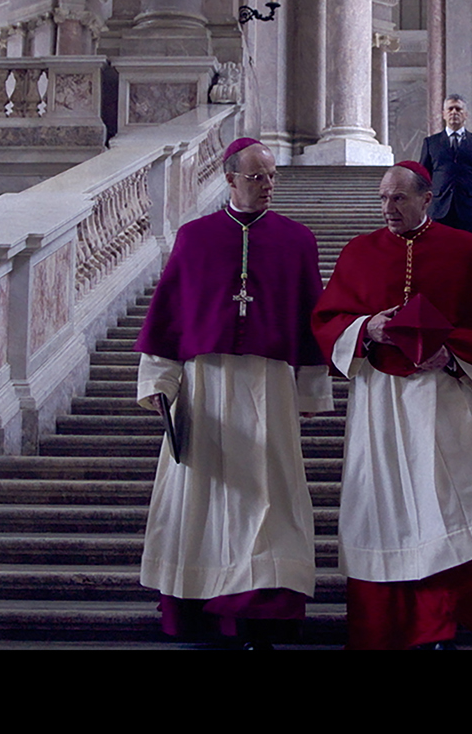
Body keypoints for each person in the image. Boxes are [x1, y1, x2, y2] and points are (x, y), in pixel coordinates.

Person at [134, 136, 331, 648]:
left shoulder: (297, 240)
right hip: (206, 387)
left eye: (271, 177)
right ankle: (202, 607)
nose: (267, 186)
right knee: (203, 499)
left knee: (271, 499)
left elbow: (312, 317)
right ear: (229, 179)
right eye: (256, 177)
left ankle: (262, 612)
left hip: (269, 387)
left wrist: (311, 389)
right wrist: (159, 382)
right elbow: (170, 316)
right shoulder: (194, 238)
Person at [311, 160, 472, 649]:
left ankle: (440, 621)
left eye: (399, 198)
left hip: (441, 395)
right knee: (377, 504)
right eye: (382, 198)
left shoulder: (464, 249)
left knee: (442, 503)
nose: (389, 208)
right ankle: (378, 625)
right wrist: (367, 327)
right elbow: (326, 318)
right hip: (377, 399)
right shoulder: (358, 252)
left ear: (428, 199)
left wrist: (453, 351)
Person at [419, 93, 472, 234]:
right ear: (443, 114)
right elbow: (422, 179)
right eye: (450, 109)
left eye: (458, 109)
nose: (454, 112)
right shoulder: (431, 143)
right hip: (438, 209)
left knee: (465, 252)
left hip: (468, 209)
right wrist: (419, 209)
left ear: (466, 114)